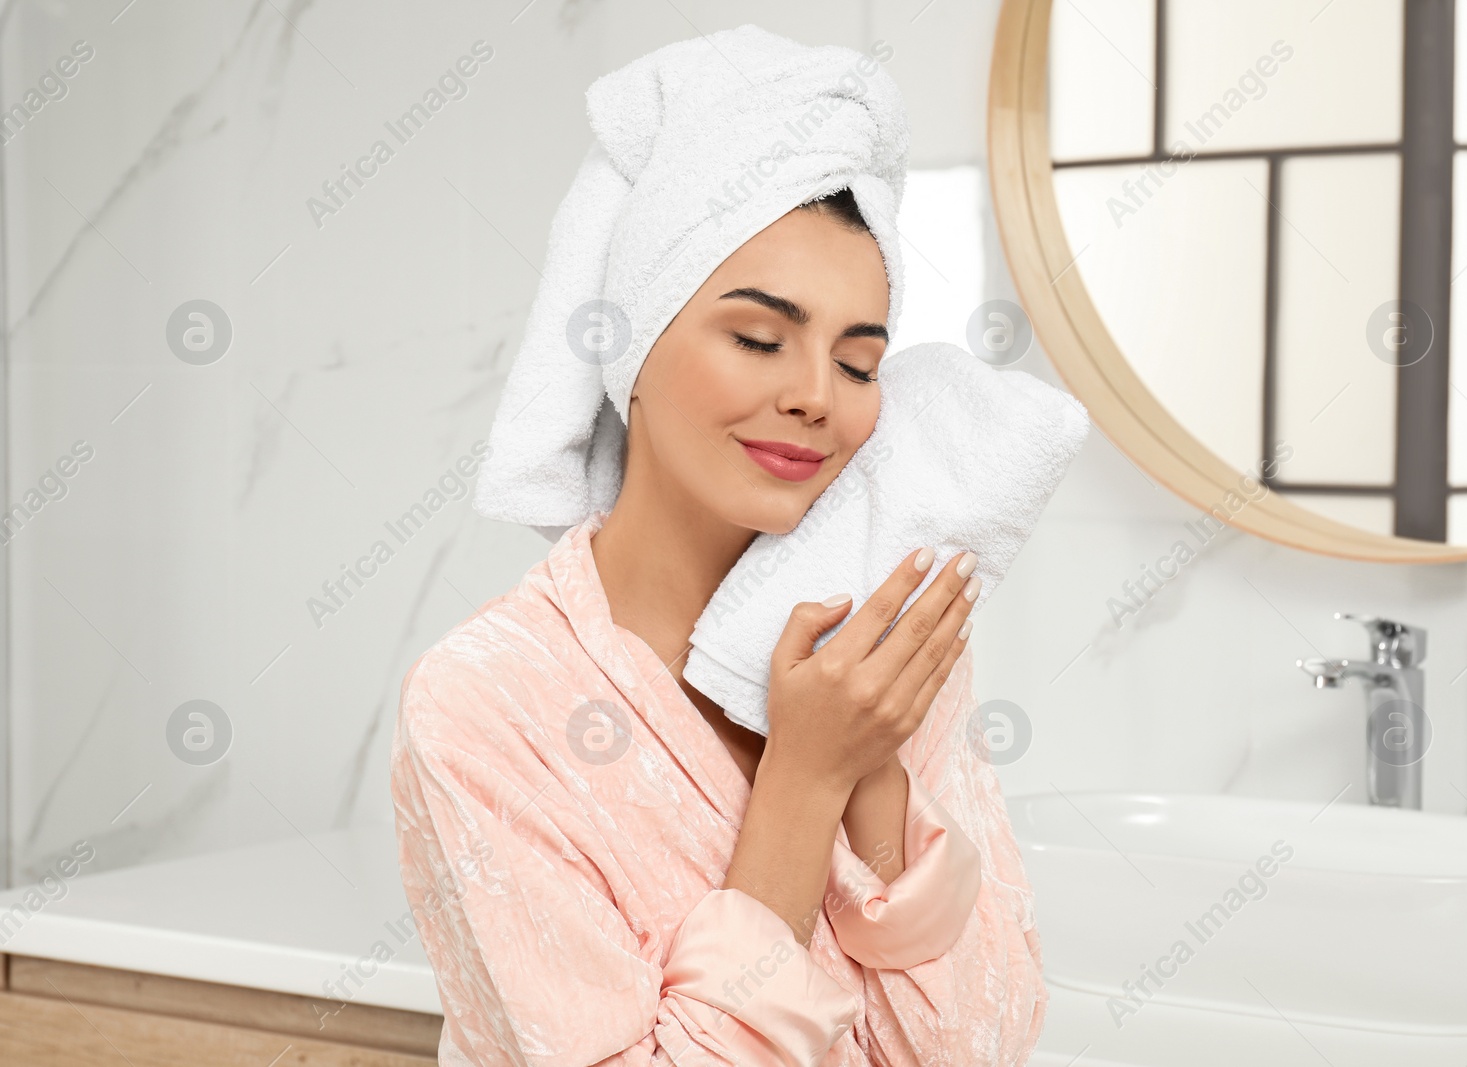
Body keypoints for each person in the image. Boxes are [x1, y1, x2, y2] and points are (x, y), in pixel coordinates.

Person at [390, 27, 1048, 1067]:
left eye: (859, 359)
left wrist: (871, 769)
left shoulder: (875, 647)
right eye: (757, 337)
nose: (813, 396)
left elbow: (979, 1043)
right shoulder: (485, 702)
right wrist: (801, 779)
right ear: (632, 349)